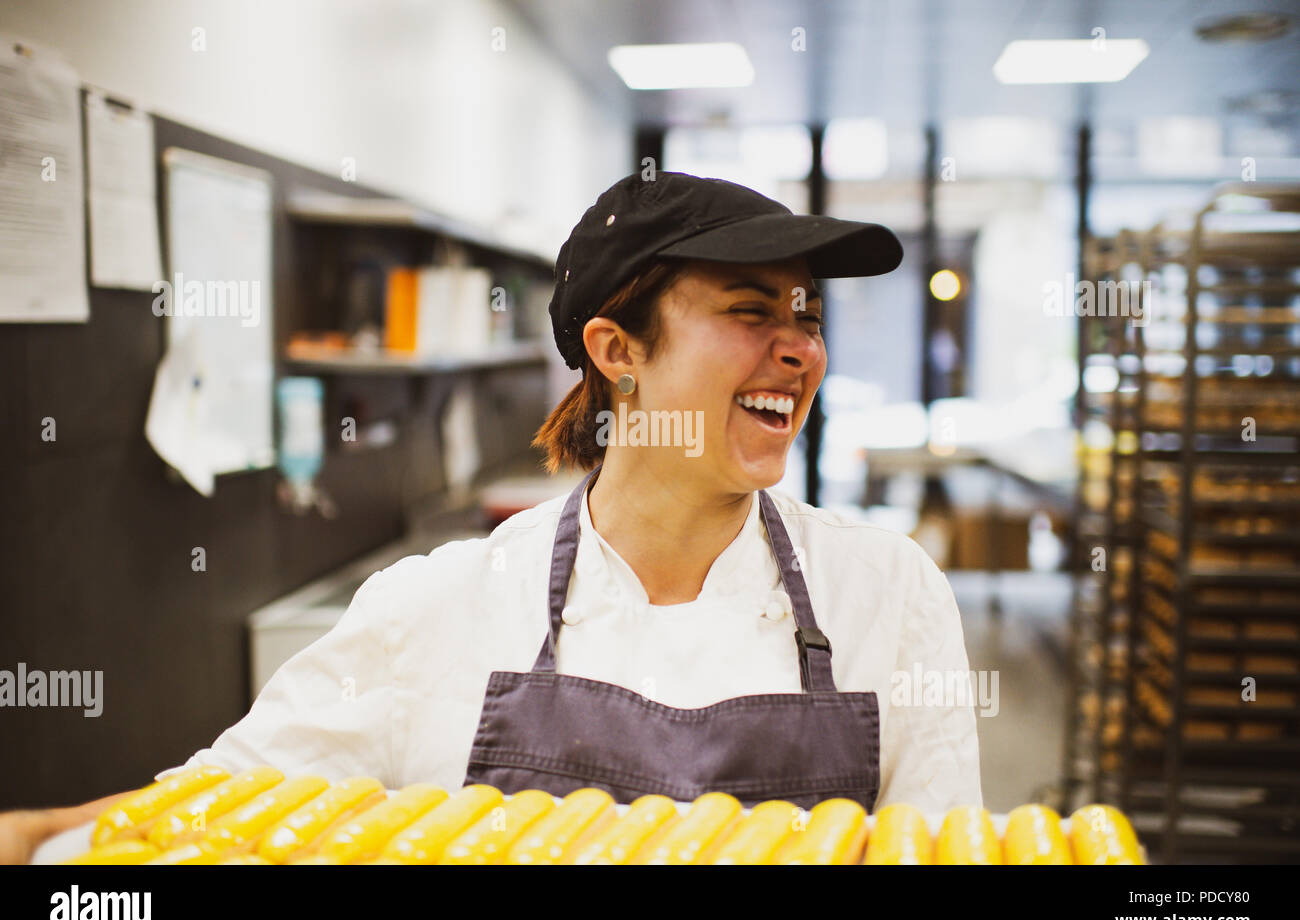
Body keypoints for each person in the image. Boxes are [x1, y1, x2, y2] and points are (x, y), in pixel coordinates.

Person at [5, 170, 981, 861]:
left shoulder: (885, 594)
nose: (799, 347)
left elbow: (944, 854)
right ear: (616, 349)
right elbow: (226, 809)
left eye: (805, 314)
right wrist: (49, 840)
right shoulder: (441, 606)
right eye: (748, 309)